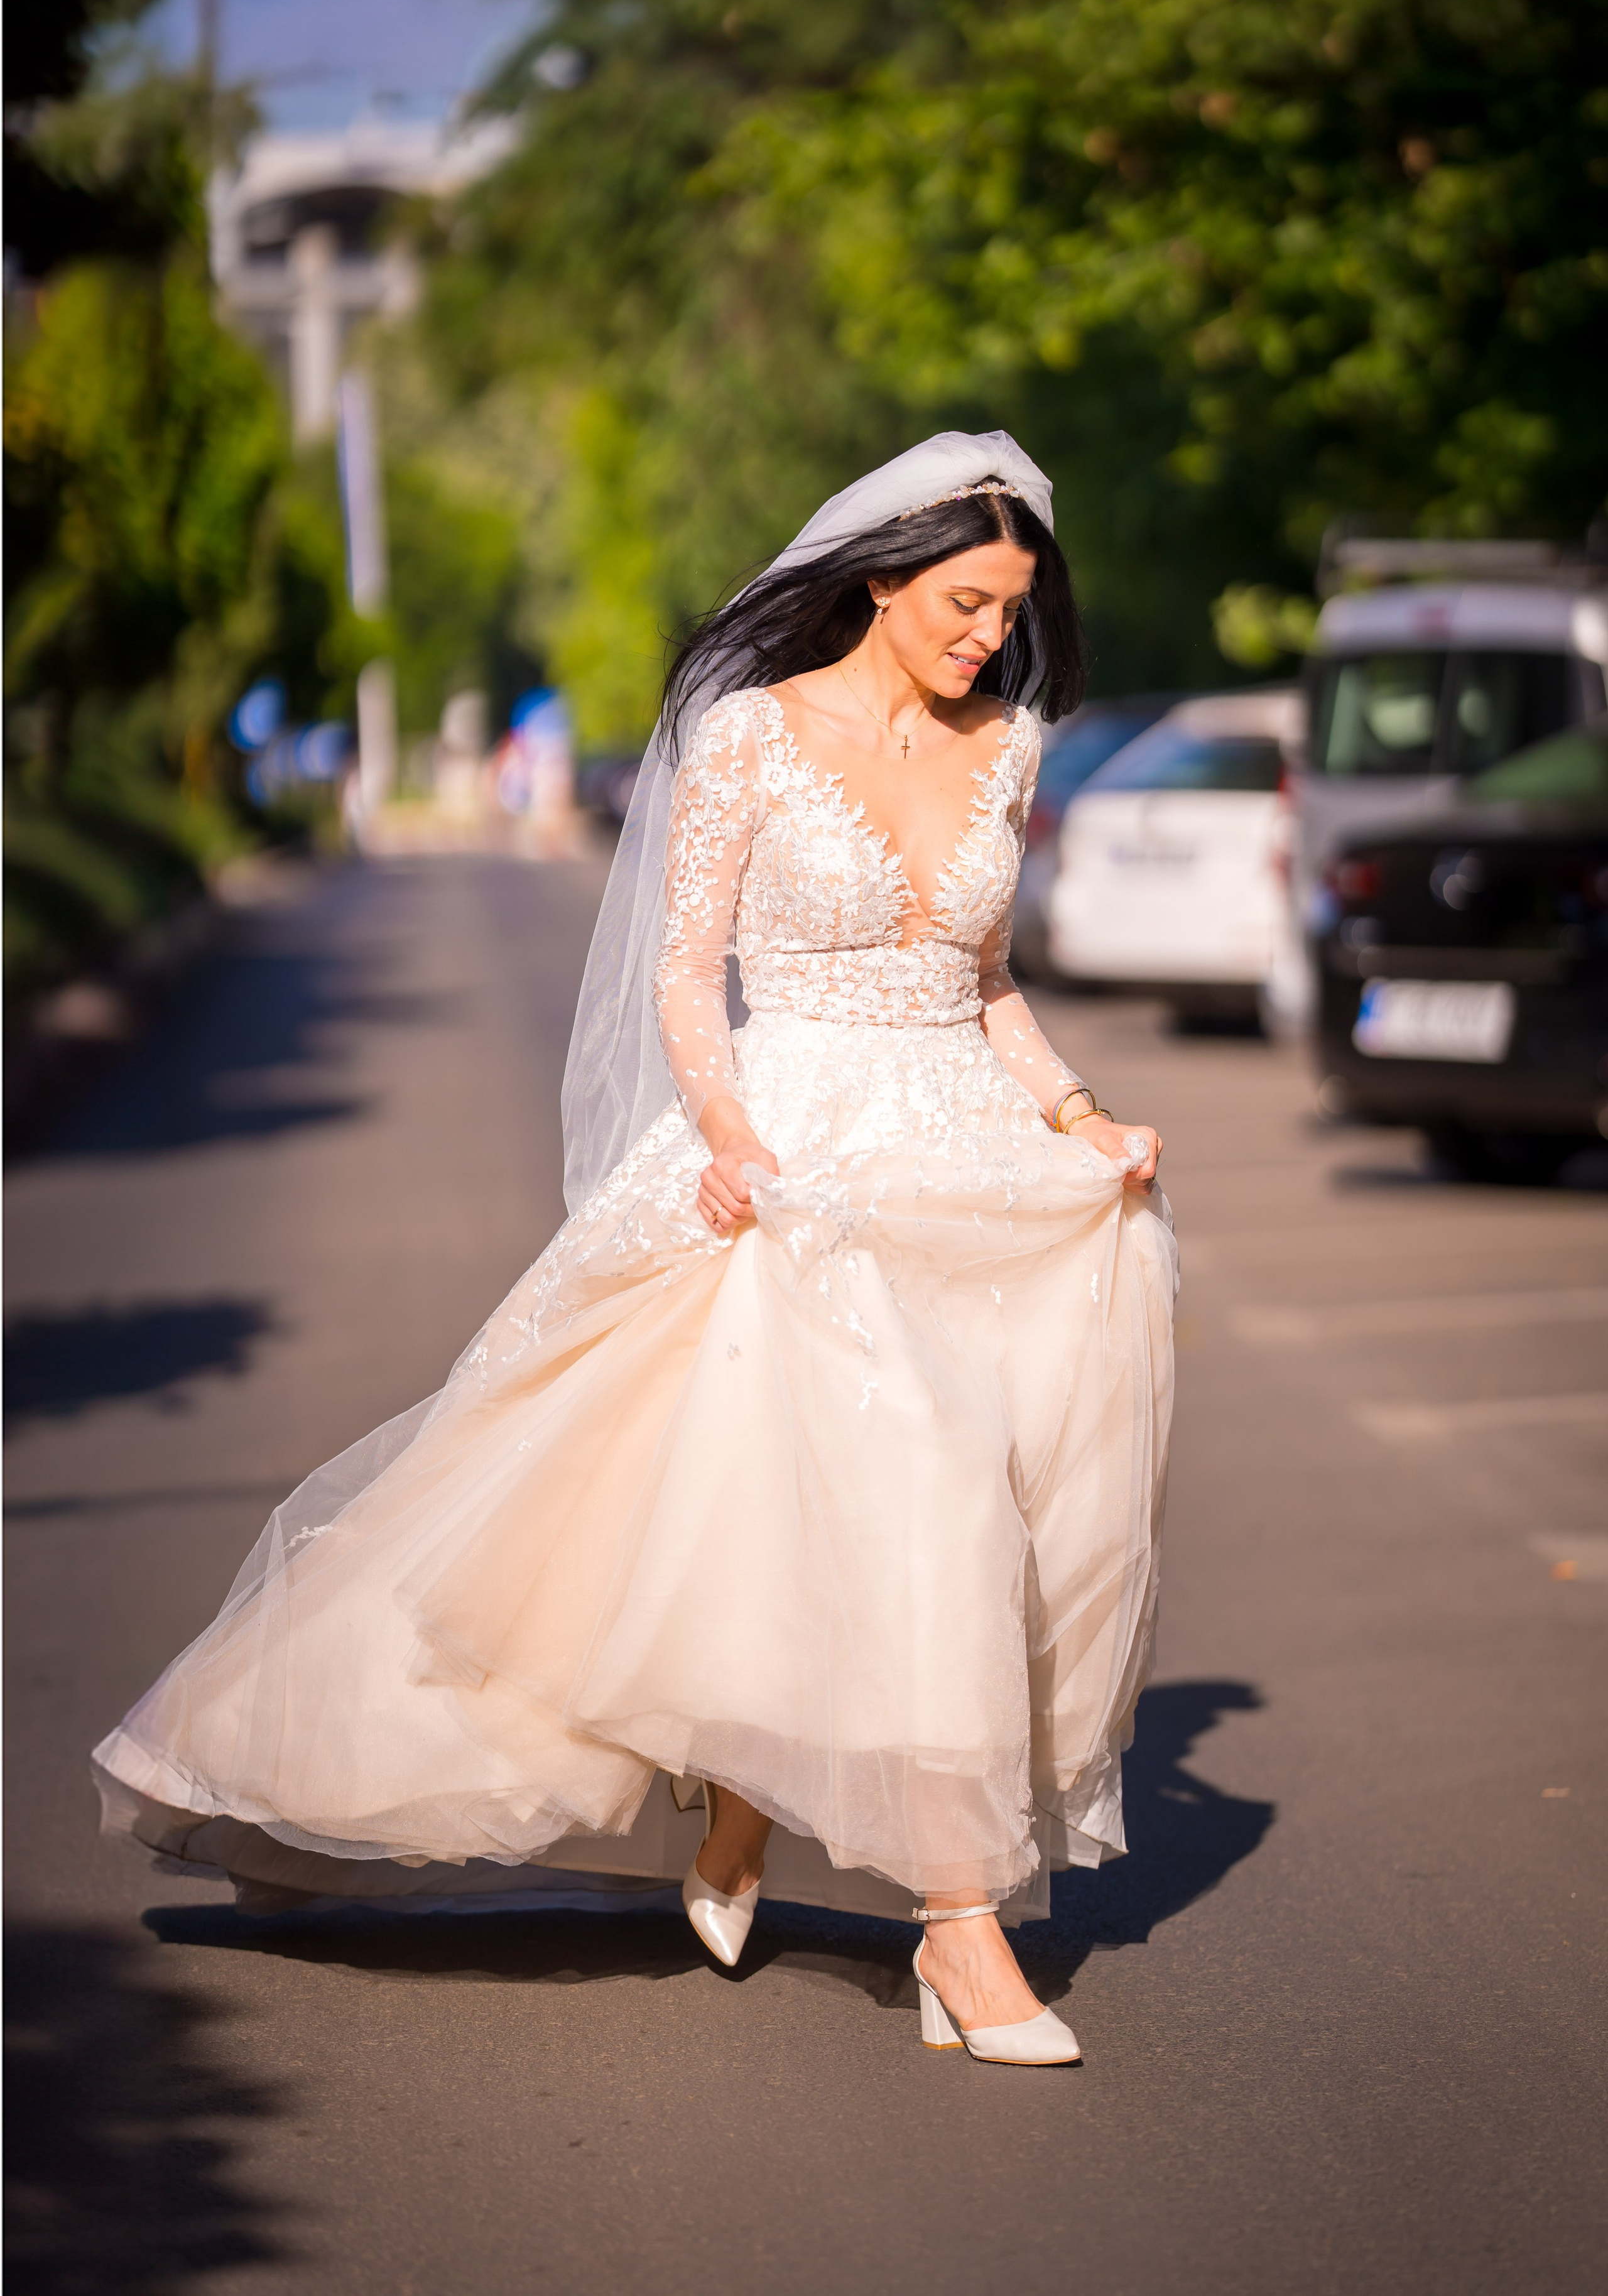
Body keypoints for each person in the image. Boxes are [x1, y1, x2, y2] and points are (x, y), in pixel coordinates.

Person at [94, 432, 1175, 2069]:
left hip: (966, 1155)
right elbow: (688, 986)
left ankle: (742, 1811)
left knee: (953, 1513)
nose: (986, 639)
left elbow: (987, 982)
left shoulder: (1010, 741)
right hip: (794, 1157)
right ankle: (961, 1928)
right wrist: (737, 1143)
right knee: (919, 1488)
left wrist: (1086, 1117)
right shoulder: (751, 732)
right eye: (964, 604)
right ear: (881, 578)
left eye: (1009, 613)